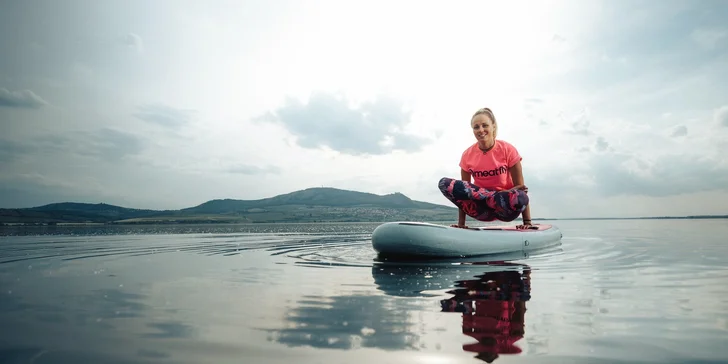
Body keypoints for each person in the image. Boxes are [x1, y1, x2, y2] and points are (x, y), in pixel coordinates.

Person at [438, 107, 533, 229]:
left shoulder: (508, 150)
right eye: (476, 127)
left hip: (504, 207)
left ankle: (495, 197)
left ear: (493, 126)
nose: (481, 130)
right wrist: (461, 225)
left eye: (485, 125)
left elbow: (521, 188)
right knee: (445, 183)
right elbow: (464, 192)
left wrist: (527, 222)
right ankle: (489, 197)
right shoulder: (467, 155)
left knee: (520, 196)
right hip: (481, 209)